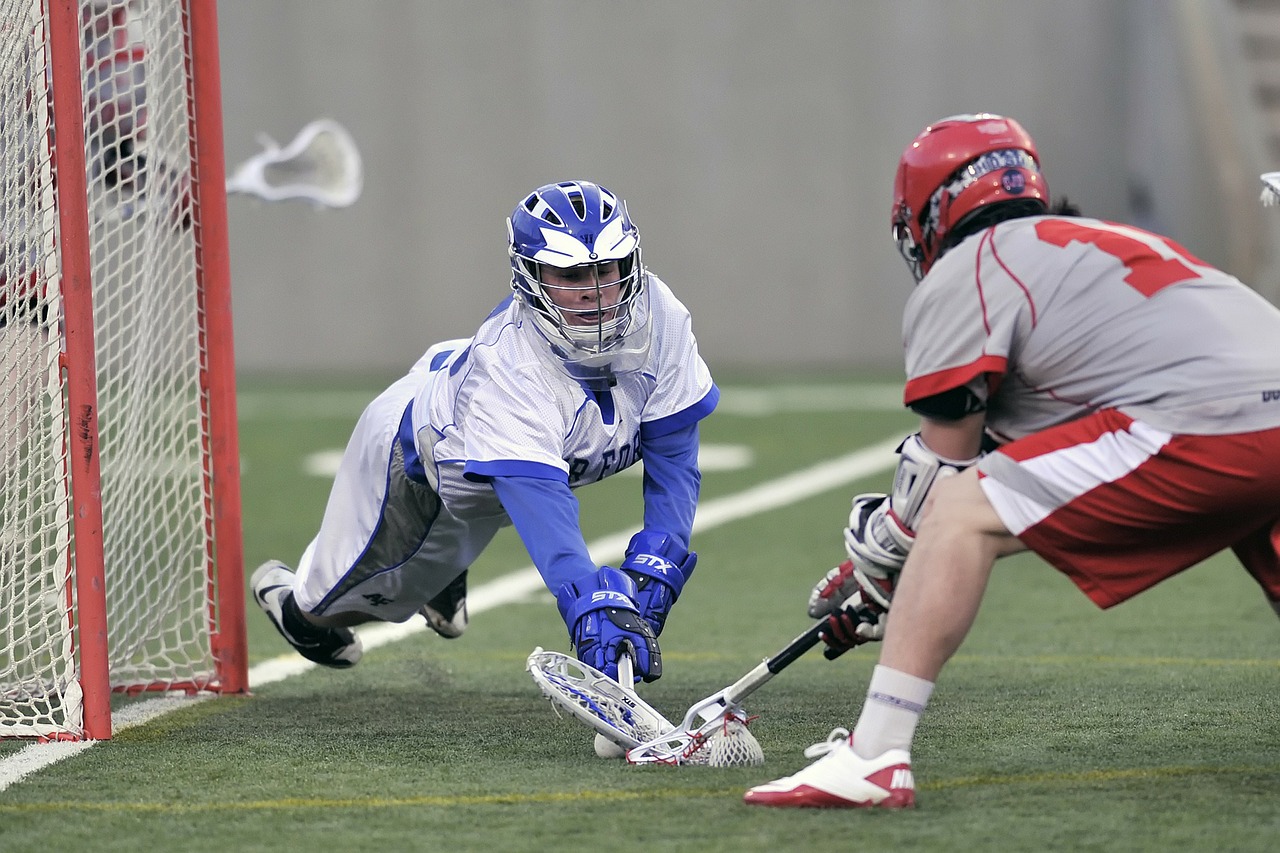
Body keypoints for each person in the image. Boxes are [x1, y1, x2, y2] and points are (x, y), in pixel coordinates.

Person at [743, 113, 1280, 808]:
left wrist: (882, 566)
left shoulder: (972, 266)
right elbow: (1045, 440)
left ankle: (874, 756)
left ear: (932, 211)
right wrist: (890, 580)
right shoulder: (1102, 243)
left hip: (1207, 418)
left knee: (961, 514)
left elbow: (945, 479)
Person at [251, 180, 717, 687]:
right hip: (419, 459)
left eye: (607, 269)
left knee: (473, 519)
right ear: (530, 276)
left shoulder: (661, 313)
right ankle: (290, 602)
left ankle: (443, 570)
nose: (596, 292)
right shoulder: (511, 370)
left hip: (491, 447)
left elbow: (674, 454)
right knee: (332, 610)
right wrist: (589, 602)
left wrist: (660, 560)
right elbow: (544, 511)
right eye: (571, 274)